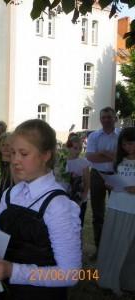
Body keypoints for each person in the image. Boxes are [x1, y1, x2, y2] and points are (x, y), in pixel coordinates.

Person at [0, 119, 81, 299]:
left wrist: (13, 271)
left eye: (24, 153)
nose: (15, 160)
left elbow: (70, 274)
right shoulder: (11, 194)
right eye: (13, 153)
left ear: (46, 155)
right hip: (4, 290)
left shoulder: (59, 206)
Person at [97, 127, 135, 295]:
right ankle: (108, 279)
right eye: (125, 144)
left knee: (128, 246)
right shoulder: (119, 160)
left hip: (131, 209)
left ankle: (127, 281)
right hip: (115, 205)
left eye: (131, 143)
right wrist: (110, 184)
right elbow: (117, 180)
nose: (128, 147)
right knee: (113, 243)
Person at [86, 107, 120, 254]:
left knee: (117, 213)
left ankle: (116, 249)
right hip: (97, 175)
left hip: (117, 176)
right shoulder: (94, 136)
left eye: (109, 117)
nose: (106, 120)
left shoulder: (121, 135)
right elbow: (90, 157)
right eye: (104, 117)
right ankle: (99, 249)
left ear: (115, 119)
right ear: (100, 119)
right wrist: (111, 155)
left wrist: (102, 153)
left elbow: (123, 157)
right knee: (97, 214)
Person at [65, 135, 90, 227]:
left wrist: (84, 195)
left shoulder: (83, 162)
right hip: (65, 195)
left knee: (78, 222)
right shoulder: (63, 162)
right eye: (75, 148)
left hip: (79, 196)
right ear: (68, 147)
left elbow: (87, 181)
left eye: (80, 148)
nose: (78, 151)